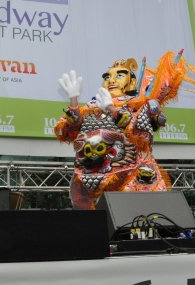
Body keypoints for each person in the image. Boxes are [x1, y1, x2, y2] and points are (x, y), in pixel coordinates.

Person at [54, 59, 169, 210]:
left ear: (133, 82)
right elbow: (68, 133)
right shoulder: (91, 106)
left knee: (133, 216)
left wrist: (112, 109)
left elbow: (143, 136)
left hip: (130, 173)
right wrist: (74, 102)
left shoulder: (139, 104)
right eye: (107, 77)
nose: (111, 80)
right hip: (91, 171)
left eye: (119, 76)